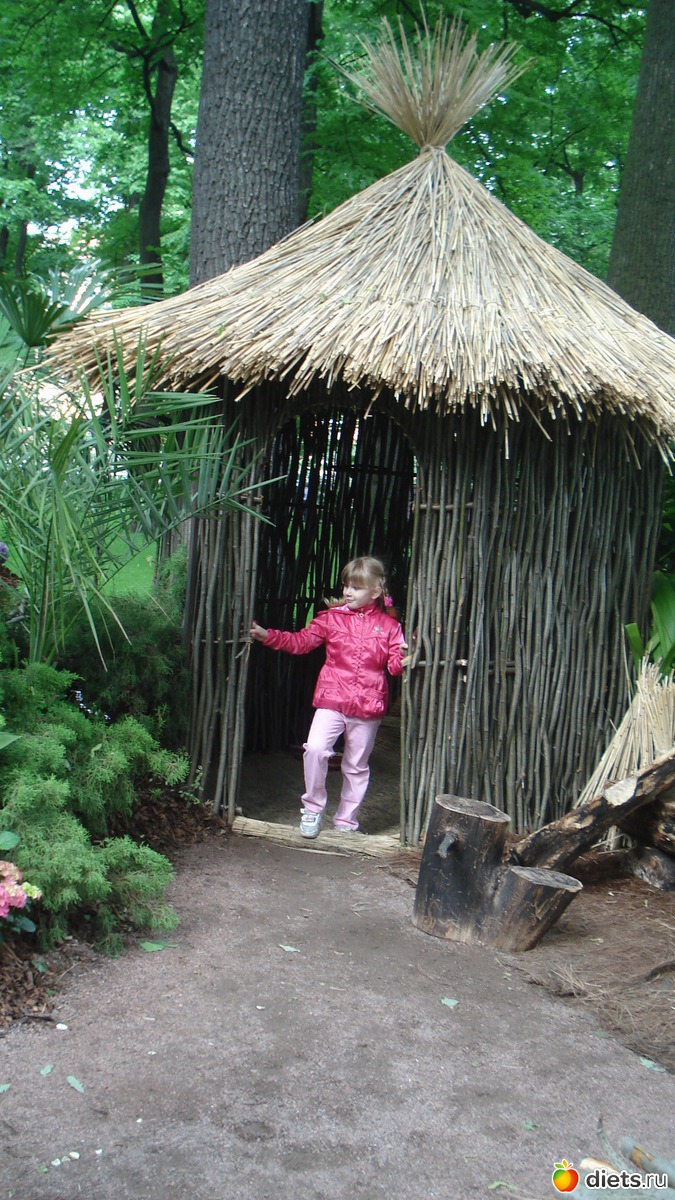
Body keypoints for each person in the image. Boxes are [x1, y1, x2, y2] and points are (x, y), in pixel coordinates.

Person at [250, 556, 408, 838]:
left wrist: (408, 655)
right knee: (315, 749)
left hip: (369, 705)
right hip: (332, 699)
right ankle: (312, 808)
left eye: (356, 587)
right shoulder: (331, 618)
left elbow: (395, 668)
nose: (348, 592)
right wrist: (266, 635)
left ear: (375, 591)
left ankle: (346, 822)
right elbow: (300, 642)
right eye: (346, 585)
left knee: (356, 766)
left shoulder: (389, 627)